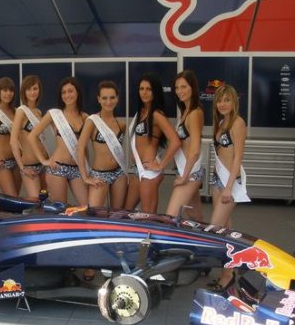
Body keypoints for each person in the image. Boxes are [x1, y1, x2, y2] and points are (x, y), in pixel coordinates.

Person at [208, 84, 250, 291]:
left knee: (215, 229)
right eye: (219, 100)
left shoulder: (237, 123)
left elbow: (238, 157)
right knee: (226, 231)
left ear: (234, 102)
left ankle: (232, 271)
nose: (222, 104)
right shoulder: (222, 122)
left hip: (229, 183)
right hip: (218, 180)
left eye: (227, 100)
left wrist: (229, 187)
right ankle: (228, 274)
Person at [124, 73, 180, 213]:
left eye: (148, 89)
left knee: (148, 215)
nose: (144, 92)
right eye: (141, 89)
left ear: (155, 91)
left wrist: (161, 165)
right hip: (138, 169)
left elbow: (175, 141)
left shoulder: (156, 114)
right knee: (126, 211)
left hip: (149, 171)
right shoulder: (141, 112)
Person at [29, 76, 88, 205]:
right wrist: (43, 161)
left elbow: (84, 147)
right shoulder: (54, 114)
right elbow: (32, 136)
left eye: (70, 91)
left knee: (87, 206)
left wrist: (87, 169)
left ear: (77, 92)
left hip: (77, 169)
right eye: (64, 92)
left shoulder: (85, 117)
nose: (67, 95)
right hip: (57, 168)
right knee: (61, 210)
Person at [78, 80, 128, 209]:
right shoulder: (92, 121)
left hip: (119, 174)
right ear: (98, 99)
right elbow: (80, 148)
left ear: (117, 99)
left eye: (112, 97)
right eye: (104, 98)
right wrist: (85, 177)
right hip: (99, 175)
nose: (108, 102)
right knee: (94, 214)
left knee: (117, 215)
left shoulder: (121, 125)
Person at [166, 70, 204, 221]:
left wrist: (184, 177)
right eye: (177, 87)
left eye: (184, 87)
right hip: (185, 170)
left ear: (192, 88)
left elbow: (195, 150)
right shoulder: (185, 111)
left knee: (171, 216)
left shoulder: (194, 113)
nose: (179, 91)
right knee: (195, 216)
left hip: (190, 173)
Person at [10, 75, 48, 199]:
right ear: (24, 92)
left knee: (44, 200)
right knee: (34, 200)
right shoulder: (21, 111)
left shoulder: (39, 112)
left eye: (35, 88)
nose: (32, 92)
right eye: (29, 89)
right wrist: (22, 168)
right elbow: (13, 141)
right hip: (29, 166)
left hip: (43, 164)